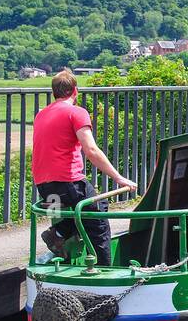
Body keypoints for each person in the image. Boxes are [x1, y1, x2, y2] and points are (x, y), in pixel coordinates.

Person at [32, 69, 136, 266]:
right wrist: (119, 178)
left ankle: (59, 232)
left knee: (92, 207)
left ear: (54, 92)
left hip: (44, 187)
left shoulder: (41, 115)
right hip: (67, 182)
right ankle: (104, 271)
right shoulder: (76, 112)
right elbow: (91, 150)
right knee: (97, 218)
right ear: (75, 91)